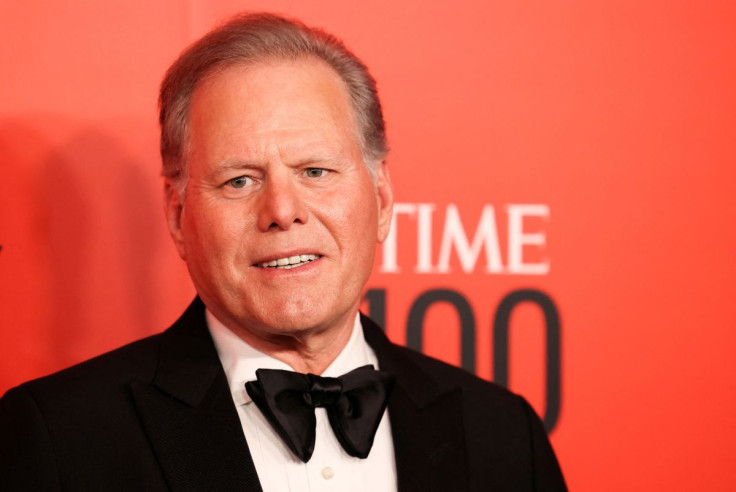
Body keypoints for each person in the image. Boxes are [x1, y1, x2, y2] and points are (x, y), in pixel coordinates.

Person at [0, 13, 567, 491]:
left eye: (315, 171)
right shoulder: (60, 439)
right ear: (177, 217)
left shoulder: (501, 434)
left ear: (382, 198)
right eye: (240, 181)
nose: (282, 210)